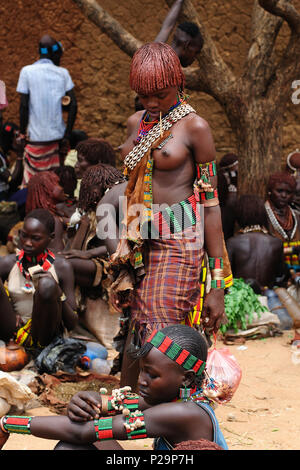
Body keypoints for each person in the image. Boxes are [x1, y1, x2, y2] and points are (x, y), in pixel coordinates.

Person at [98, 42, 226, 389]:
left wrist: (217, 283)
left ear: (179, 83)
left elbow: (210, 205)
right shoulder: (135, 123)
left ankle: (170, 417)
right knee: (136, 327)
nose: (152, 103)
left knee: (159, 328)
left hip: (179, 239)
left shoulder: (195, 128)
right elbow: (128, 186)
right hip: (138, 239)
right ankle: (128, 408)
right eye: (143, 96)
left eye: (160, 94)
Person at [0, 324, 228, 451]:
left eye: (153, 375)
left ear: (186, 379)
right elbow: (105, 405)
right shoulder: (175, 398)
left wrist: (7, 424)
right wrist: (84, 400)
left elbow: (84, 431)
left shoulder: (182, 413)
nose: (141, 380)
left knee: (74, 445)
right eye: (142, 370)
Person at [0, 208, 77, 351]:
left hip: (44, 337)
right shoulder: (8, 263)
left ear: (51, 237)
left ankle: (38, 352)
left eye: (35, 238)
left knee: (47, 285)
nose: (27, 243)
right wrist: (10, 308)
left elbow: (72, 323)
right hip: (14, 331)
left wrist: (57, 290)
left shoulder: (62, 267)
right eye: (24, 236)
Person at [16, 34, 77, 184]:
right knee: (54, 183)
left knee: (34, 185)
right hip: (57, 140)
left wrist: (23, 132)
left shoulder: (26, 72)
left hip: (35, 141)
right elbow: (73, 105)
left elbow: (24, 106)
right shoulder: (63, 73)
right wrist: (67, 135)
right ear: (54, 54)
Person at [226, 195, 287, 292]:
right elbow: (280, 277)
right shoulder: (276, 243)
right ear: (262, 215)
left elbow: (226, 278)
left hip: (240, 299)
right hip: (268, 298)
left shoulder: (232, 243)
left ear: (239, 216)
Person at [265, 172, 300, 273]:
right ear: (270, 191)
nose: (284, 195)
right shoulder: (263, 215)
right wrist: (293, 250)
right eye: (279, 191)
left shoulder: (297, 216)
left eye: (288, 192)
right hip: (273, 272)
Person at [25, 171, 67, 251]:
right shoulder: (52, 220)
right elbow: (59, 253)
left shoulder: (34, 217)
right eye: (56, 183)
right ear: (46, 189)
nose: (61, 188)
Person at [155, 0, 203, 68]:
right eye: (195, 53)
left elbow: (167, 26)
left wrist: (179, 1)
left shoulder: (153, 54)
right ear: (187, 45)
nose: (194, 58)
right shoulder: (167, 72)